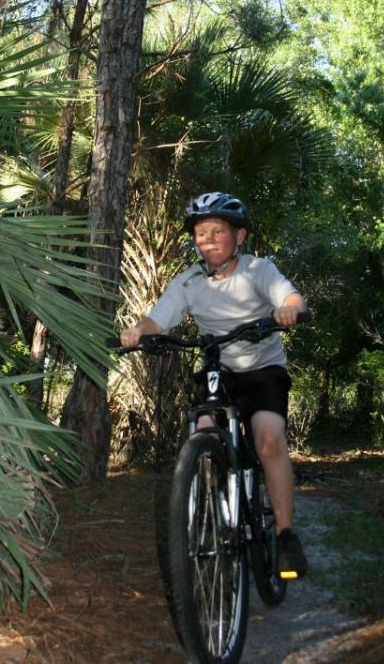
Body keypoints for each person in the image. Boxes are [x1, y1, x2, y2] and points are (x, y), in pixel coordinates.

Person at [120, 190, 309, 579]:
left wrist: (289, 309)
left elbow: (291, 296)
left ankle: (286, 536)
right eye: (202, 233)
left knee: (268, 437)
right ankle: (218, 506)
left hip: (262, 370)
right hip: (218, 369)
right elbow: (158, 320)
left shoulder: (258, 270)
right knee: (204, 432)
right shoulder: (188, 282)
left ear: (238, 236)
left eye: (218, 231)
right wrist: (138, 331)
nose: (208, 240)